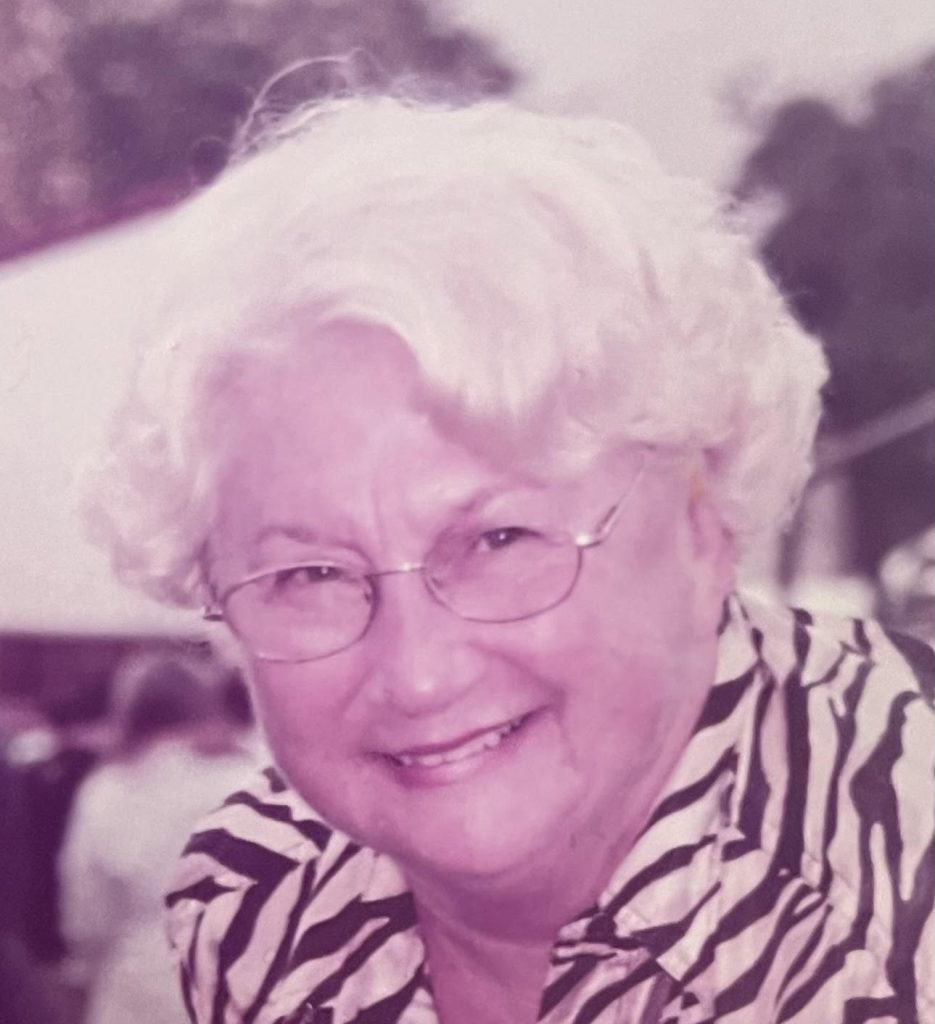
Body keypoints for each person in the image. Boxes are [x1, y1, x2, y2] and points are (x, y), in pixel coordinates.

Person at [84, 96, 934, 1024]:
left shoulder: (889, 933)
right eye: (310, 576)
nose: (418, 675)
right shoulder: (256, 902)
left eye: (498, 540)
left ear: (702, 524)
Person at [58, 651, 256, 1024]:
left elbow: (86, 905)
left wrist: (86, 965)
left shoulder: (109, 788)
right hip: (236, 970)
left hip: (138, 971)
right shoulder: (245, 779)